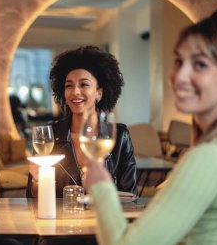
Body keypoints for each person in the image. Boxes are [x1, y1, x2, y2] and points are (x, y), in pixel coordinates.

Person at [84, 7, 217, 245]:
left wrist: (101, 187)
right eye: (179, 61)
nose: (179, 76)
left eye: (200, 64)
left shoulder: (209, 158)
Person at [27, 46, 137, 198]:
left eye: (84, 84)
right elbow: (32, 198)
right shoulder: (49, 135)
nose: (75, 92)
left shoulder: (119, 137)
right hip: (60, 220)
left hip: (102, 219)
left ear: (99, 92)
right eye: (69, 85)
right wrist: (37, 182)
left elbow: (129, 196)